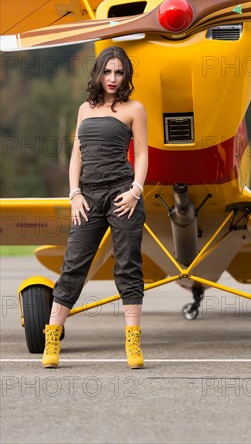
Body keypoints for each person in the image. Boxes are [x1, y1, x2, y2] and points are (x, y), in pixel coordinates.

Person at [42, 46, 148, 369]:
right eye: (108, 72)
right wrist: (74, 193)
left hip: (122, 196)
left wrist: (135, 191)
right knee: (73, 265)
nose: (113, 78)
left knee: (128, 266)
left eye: (119, 72)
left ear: (126, 75)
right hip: (87, 197)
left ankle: (132, 343)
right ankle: (52, 338)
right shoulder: (84, 110)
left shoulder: (134, 109)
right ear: (98, 73)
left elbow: (142, 154)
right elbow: (77, 155)